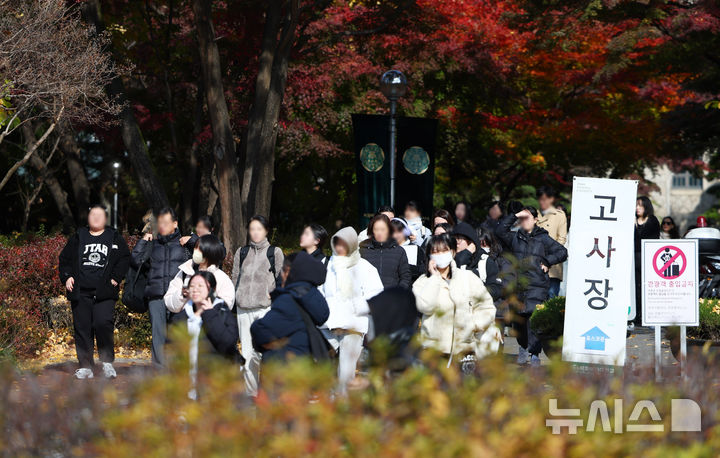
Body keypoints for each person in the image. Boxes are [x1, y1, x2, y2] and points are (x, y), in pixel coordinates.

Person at [58, 205, 130, 379]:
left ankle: (106, 363)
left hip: (105, 291)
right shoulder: (78, 236)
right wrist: (67, 277)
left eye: (100, 215)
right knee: (82, 328)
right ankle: (85, 366)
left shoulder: (113, 237)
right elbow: (64, 259)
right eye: (93, 214)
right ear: (88, 217)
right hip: (80, 291)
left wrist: (116, 277)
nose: (96, 218)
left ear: (105, 218)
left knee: (103, 323)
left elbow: (125, 258)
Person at [412, 234, 502, 372]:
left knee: (464, 391)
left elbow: (486, 306)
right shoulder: (422, 282)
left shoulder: (468, 278)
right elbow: (425, 306)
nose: (440, 255)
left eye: (444, 251)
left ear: (453, 252)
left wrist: (474, 325)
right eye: (435, 252)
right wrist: (435, 278)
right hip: (434, 350)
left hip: (465, 350)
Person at [495, 206, 567, 366]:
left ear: (535, 220)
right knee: (519, 320)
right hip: (518, 285)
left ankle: (534, 352)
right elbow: (499, 231)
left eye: (528, 218)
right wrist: (515, 214)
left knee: (533, 320)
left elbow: (562, 252)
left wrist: (548, 261)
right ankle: (522, 347)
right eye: (522, 219)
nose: (524, 221)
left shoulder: (543, 238)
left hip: (537, 285)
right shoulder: (515, 237)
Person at [320, 227, 384, 395]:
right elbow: (318, 291)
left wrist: (356, 306)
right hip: (328, 325)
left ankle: (342, 410)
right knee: (325, 371)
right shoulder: (326, 265)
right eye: (337, 243)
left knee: (346, 373)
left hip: (353, 326)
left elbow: (376, 296)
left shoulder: (365, 267)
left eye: (344, 244)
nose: (340, 248)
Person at [232, 215, 284, 397]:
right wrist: (235, 298)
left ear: (266, 231)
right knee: (247, 356)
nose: (255, 232)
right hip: (243, 308)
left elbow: (281, 281)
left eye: (259, 229)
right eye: (252, 229)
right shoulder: (242, 252)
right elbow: (235, 277)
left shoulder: (275, 252)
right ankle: (251, 396)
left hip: (265, 309)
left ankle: (269, 393)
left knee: (264, 354)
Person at [168, 271, 242, 400]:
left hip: (214, 385)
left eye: (200, 286)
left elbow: (227, 343)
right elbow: (170, 349)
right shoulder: (181, 316)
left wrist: (209, 314)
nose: (195, 289)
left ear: (212, 289)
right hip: (185, 386)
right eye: (192, 286)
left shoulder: (222, 312)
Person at [131, 206, 189, 367]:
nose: (162, 225)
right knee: (158, 336)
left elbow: (209, 252)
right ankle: (159, 371)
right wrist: (144, 240)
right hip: (156, 295)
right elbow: (135, 260)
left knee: (178, 336)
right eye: (160, 223)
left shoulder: (184, 245)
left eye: (166, 222)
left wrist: (192, 240)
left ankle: (178, 371)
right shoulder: (152, 244)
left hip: (179, 297)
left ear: (175, 224)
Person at [251, 252, 330, 362]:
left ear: (288, 272)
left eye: (282, 271)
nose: (281, 276)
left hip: (284, 369)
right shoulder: (310, 297)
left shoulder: (288, 301)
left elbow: (262, 331)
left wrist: (255, 323)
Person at [164, 234, 235, 313]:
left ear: (210, 252)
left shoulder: (221, 277)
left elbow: (227, 305)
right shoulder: (185, 271)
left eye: (200, 249)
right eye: (195, 248)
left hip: (209, 322)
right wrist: (182, 295)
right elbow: (169, 301)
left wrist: (209, 299)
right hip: (185, 323)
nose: (196, 251)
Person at [360, 214, 411, 290]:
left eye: (383, 229)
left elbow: (405, 277)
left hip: (392, 297)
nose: (379, 233)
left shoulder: (399, 251)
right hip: (368, 297)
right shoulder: (363, 250)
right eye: (376, 229)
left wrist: (398, 293)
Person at [535, 186, 568, 298]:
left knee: (551, 295)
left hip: (553, 263)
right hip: (535, 263)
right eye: (540, 199)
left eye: (544, 199)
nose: (542, 202)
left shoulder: (559, 215)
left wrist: (550, 259)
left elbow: (561, 239)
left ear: (551, 199)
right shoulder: (534, 214)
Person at [634, 196, 660, 327]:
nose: (637, 208)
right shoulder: (631, 220)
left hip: (647, 259)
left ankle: (647, 315)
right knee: (635, 288)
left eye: (640, 205)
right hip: (634, 259)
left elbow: (646, 240)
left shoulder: (653, 221)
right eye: (636, 205)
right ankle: (636, 315)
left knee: (646, 287)